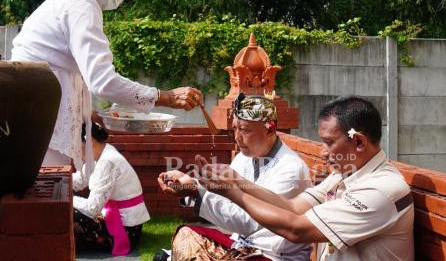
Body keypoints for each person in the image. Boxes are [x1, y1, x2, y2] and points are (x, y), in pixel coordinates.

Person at [11, 0, 203, 171]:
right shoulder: (81, 3)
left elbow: (65, 70)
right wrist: (166, 97)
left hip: (32, 110)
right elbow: (101, 81)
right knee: (45, 197)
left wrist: (91, 114)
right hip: (38, 115)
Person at [195, 96, 415, 261]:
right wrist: (235, 182)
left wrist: (230, 191)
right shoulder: (344, 174)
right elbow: (292, 207)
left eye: (329, 143)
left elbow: (296, 229)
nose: (323, 152)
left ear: (358, 142)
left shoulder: (380, 190)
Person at [157, 93, 312, 261]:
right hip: (243, 246)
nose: (237, 137)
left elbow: (247, 222)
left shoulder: (290, 169)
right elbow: (224, 197)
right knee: (185, 235)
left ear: (270, 129)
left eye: (245, 129)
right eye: (235, 128)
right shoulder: (244, 157)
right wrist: (190, 185)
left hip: (273, 255)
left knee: (182, 248)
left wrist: (196, 193)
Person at [73, 121, 149, 256]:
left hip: (126, 229)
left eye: (76, 144)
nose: (74, 149)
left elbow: (92, 208)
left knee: (69, 212)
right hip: (116, 218)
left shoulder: (107, 161)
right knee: (69, 210)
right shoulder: (101, 154)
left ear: (90, 141)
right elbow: (79, 181)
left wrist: (69, 200)